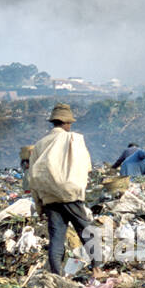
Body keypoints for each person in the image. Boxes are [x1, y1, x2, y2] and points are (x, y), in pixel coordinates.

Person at [26, 103, 104, 276]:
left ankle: (56, 274)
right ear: (66, 123)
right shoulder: (73, 139)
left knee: (56, 238)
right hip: (71, 194)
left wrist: (39, 206)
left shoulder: (39, 145)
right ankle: (97, 268)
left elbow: (32, 178)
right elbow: (86, 166)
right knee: (87, 232)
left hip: (49, 198)